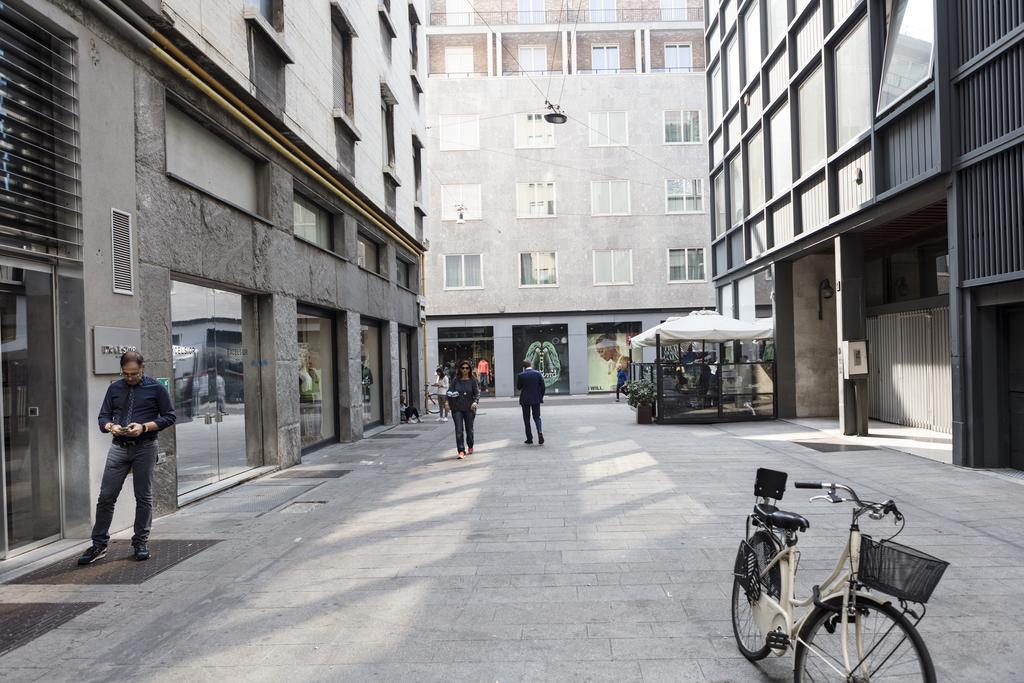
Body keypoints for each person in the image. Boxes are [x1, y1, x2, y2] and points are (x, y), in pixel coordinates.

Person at [79, 351, 176, 565]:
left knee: (143, 496)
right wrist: (110, 426)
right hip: (118, 448)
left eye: (134, 373)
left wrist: (144, 427)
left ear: (142, 368)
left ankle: (140, 542)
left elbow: (170, 416)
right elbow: (103, 416)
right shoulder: (114, 388)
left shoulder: (156, 388)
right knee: (106, 496)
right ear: (121, 370)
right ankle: (99, 545)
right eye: (126, 374)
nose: (130, 377)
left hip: (146, 446)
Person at [446, 361, 479, 459]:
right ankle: (461, 450)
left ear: (469, 369)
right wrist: (447, 403)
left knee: (469, 430)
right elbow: (449, 392)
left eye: (467, 368)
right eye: (463, 368)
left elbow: (477, 393)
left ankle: (470, 445)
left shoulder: (473, 380)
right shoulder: (456, 380)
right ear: (460, 369)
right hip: (457, 408)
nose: (465, 370)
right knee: (459, 430)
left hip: (469, 408)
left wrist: (475, 402)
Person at [516, 359, 545, 445]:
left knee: (526, 419)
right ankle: (539, 432)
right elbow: (543, 387)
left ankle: (529, 438)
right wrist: (540, 396)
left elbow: (519, 387)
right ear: (531, 364)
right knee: (537, 417)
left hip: (525, 399)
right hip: (536, 398)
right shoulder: (537, 373)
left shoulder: (521, 375)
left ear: (523, 367)